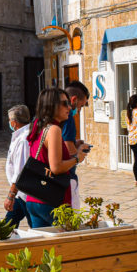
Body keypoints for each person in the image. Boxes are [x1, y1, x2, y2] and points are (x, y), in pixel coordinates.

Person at [24, 87, 90, 228]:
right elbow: (56, 167)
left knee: (45, 248)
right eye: (64, 103)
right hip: (52, 200)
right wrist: (77, 158)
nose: (69, 107)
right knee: (67, 245)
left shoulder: (38, 126)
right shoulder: (54, 130)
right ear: (51, 106)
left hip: (34, 197)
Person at [62, 81, 90, 209]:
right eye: (81, 106)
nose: (79, 110)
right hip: (66, 174)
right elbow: (68, 148)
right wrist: (79, 151)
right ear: (73, 100)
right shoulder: (67, 117)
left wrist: (75, 142)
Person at [3, 104, 31, 227]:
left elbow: (20, 171)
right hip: (20, 193)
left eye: (10, 121)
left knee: (36, 227)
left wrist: (10, 195)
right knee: (7, 226)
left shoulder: (23, 140)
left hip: (24, 193)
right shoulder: (20, 136)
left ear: (14, 123)